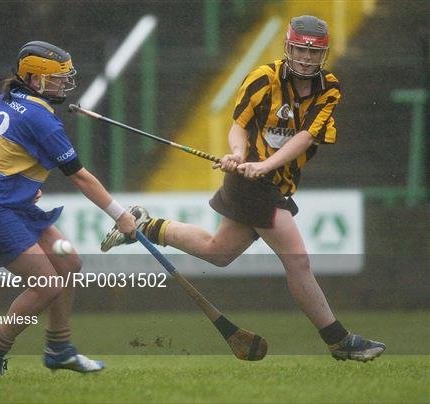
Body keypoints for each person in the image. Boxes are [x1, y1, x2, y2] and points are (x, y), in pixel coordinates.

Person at [102, 16, 386, 362]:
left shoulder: (330, 89)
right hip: (250, 182)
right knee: (298, 260)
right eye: (300, 50)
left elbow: (306, 137)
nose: (306, 59)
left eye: (314, 54)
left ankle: (145, 226)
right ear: (288, 47)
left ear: (323, 56)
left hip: (271, 179)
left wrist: (265, 165)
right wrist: (238, 155)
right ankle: (338, 340)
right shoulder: (262, 78)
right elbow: (239, 128)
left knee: (219, 252)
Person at [0, 41, 136, 379]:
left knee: (68, 263)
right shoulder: (43, 119)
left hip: (12, 205)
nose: (63, 84)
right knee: (47, 284)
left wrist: (20, 179)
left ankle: (59, 349)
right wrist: (121, 215)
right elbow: (81, 178)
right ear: (34, 79)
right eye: (57, 78)